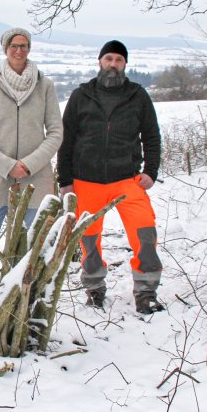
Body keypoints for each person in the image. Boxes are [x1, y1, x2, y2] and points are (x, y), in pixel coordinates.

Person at [57, 40, 165, 314]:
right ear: (100, 62)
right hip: (86, 180)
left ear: (125, 64)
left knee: (145, 234)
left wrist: (150, 172)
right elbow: (66, 140)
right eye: (109, 59)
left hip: (127, 179)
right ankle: (94, 289)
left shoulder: (137, 95)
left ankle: (146, 292)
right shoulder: (82, 95)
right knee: (88, 240)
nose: (113, 64)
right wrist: (66, 181)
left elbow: (152, 136)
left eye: (118, 59)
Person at [0, 27, 63, 295]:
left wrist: (30, 164)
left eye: (24, 45)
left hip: (37, 180)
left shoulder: (45, 85)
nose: (19, 50)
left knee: (39, 245)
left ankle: (32, 301)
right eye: (14, 46)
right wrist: (8, 165)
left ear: (29, 49)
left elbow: (56, 132)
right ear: (5, 49)